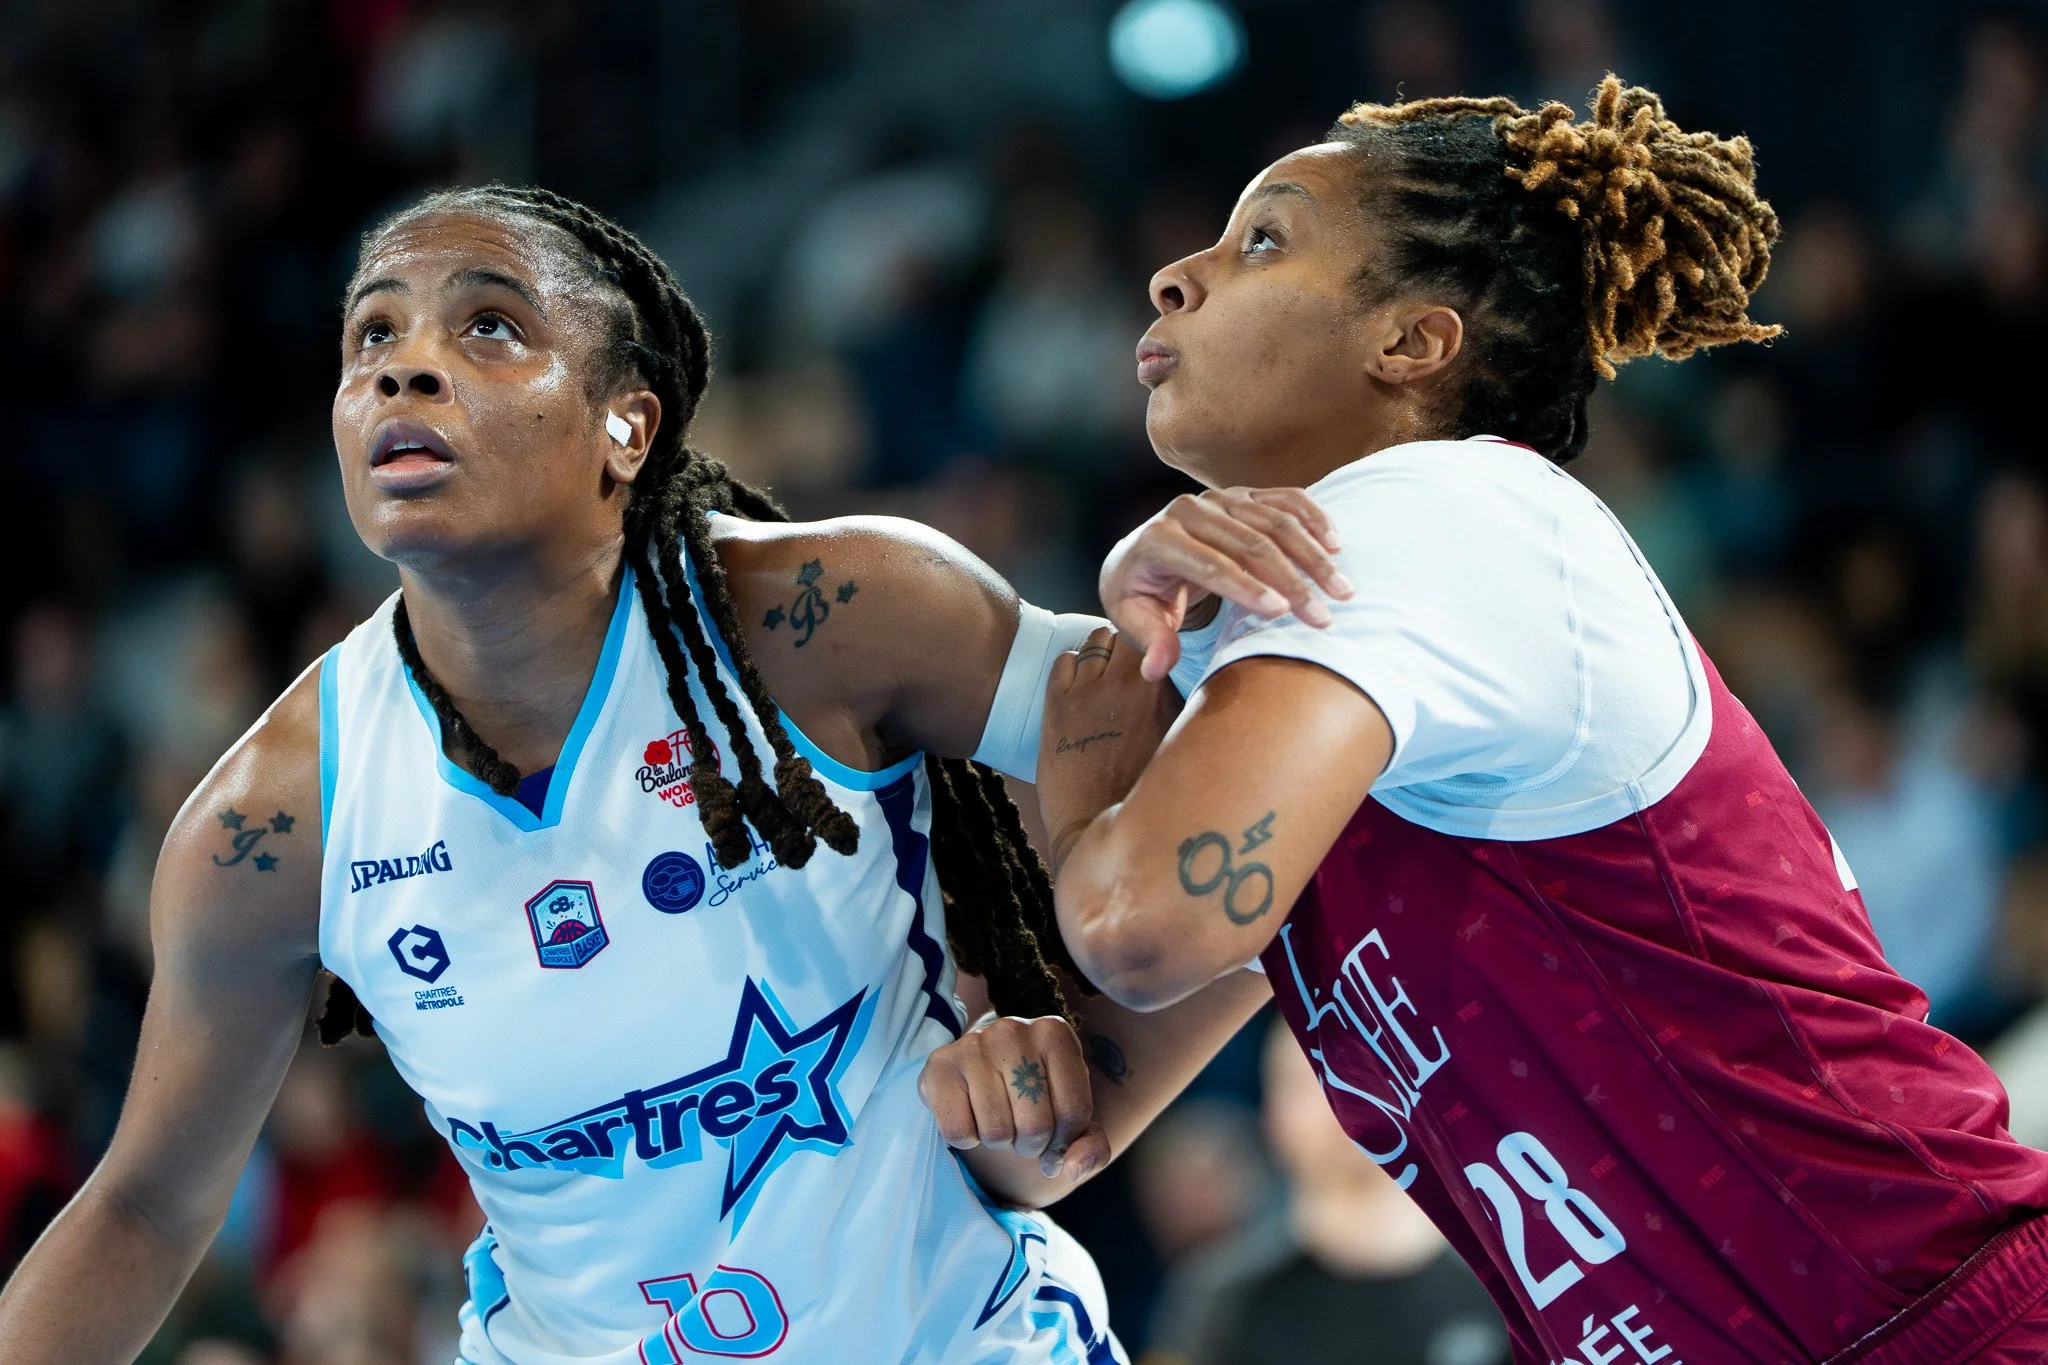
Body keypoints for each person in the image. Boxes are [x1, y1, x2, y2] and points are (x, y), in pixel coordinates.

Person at [0, 184, 1334, 1364]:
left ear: (626, 424)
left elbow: (1182, 755)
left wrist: (1061, 1023)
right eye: (371, 338)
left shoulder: (834, 613)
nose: (404, 369)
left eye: (486, 326)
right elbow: (142, 1208)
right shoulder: (271, 821)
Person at [1037, 78, 2048, 1362]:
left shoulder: (1431, 514)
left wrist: (1086, 729)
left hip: (1928, 1322)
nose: (1173, 277)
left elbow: (1135, 923)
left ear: (1412, 343)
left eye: (1262, 240)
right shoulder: (1315, 648)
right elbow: (1065, 1125)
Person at [1144, 1020, 1508, 1365]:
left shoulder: (1507, 1289)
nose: (1339, 1100)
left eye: (1361, 1074)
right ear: (1272, 1116)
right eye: (1309, 1081)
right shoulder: (1220, 1297)